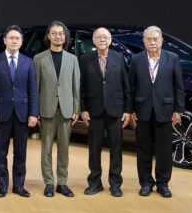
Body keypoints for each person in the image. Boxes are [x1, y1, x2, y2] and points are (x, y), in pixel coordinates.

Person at [129, 25, 184, 198]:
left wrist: (179, 109)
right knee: (143, 150)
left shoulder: (172, 58)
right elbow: (131, 87)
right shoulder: (136, 59)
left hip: (165, 111)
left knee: (164, 151)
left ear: (161, 41)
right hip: (142, 111)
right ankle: (146, 183)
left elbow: (178, 86)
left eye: (155, 39)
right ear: (143, 41)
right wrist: (130, 110)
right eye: (149, 39)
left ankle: (163, 184)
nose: (152, 42)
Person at [0, 25, 38, 197]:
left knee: (20, 153)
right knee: (1, 152)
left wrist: (33, 113)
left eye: (18, 38)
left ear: (21, 42)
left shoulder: (28, 62)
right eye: (11, 38)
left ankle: (19, 186)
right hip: (1, 114)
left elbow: (32, 89)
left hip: (23, 114)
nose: (14, 41)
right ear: (4, 40)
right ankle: (2, 186)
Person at [79, 27, 130, 197]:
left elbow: (126, 85)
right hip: (94, 110)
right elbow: (81, 86)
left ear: (110, 40)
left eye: (105, 37)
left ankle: (115, 184)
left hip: (116, 110)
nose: (102, 39)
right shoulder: (85, 59)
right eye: (99, 37)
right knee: (94, 149)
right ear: (94, 41)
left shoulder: (119, 57)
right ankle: (95, 182)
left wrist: (128, 110)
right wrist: (83, 109)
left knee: (116, 149)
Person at [34, 20, 80, 198]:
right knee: (46, 148)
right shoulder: (39, 59)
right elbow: (36, 87)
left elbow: (76, 86)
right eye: (54, 33)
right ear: (48, 36)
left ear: (65, 36)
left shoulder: (73, 59)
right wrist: (35, 110)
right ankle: (48, 182)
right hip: (46, 109)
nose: (58, 36)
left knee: (64, 149)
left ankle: (62, 182)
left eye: (61, 33)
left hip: (67, 110)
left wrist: (76, 109)